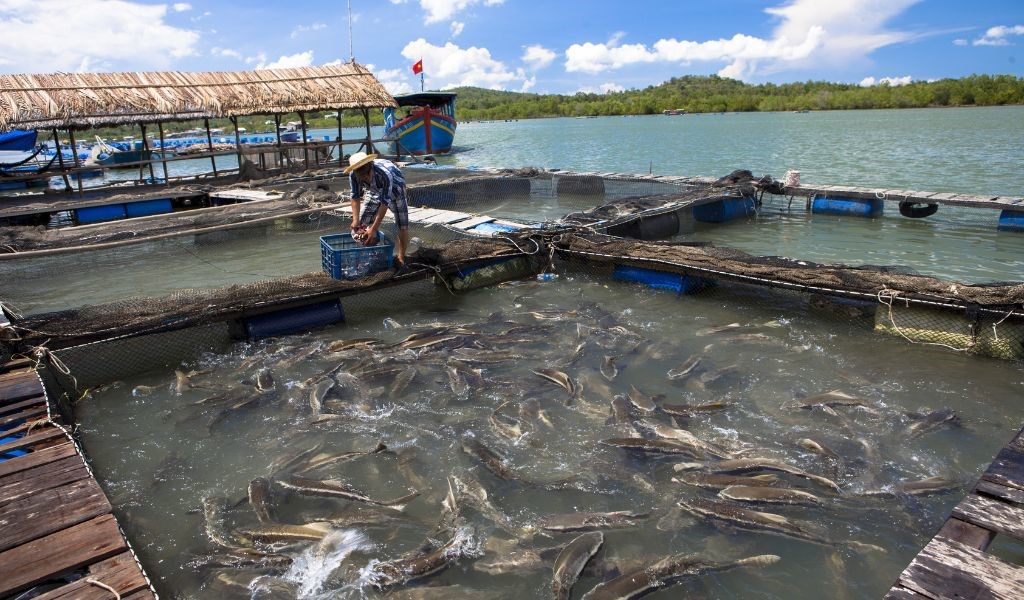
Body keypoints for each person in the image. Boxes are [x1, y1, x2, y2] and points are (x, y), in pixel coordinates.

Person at [343, 151, 410, 271]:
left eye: (367, 174)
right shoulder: (353, 175)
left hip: (396, 190)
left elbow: (384, 203)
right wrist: (355, 220)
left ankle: (401, 257)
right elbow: (355, 197)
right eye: (362, 176)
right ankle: (373, 251)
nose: (366, 177)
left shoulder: (384, 174)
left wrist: (373, 229)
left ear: (370, 166)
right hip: (373, 191)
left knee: (402, 225)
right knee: (359, 228)